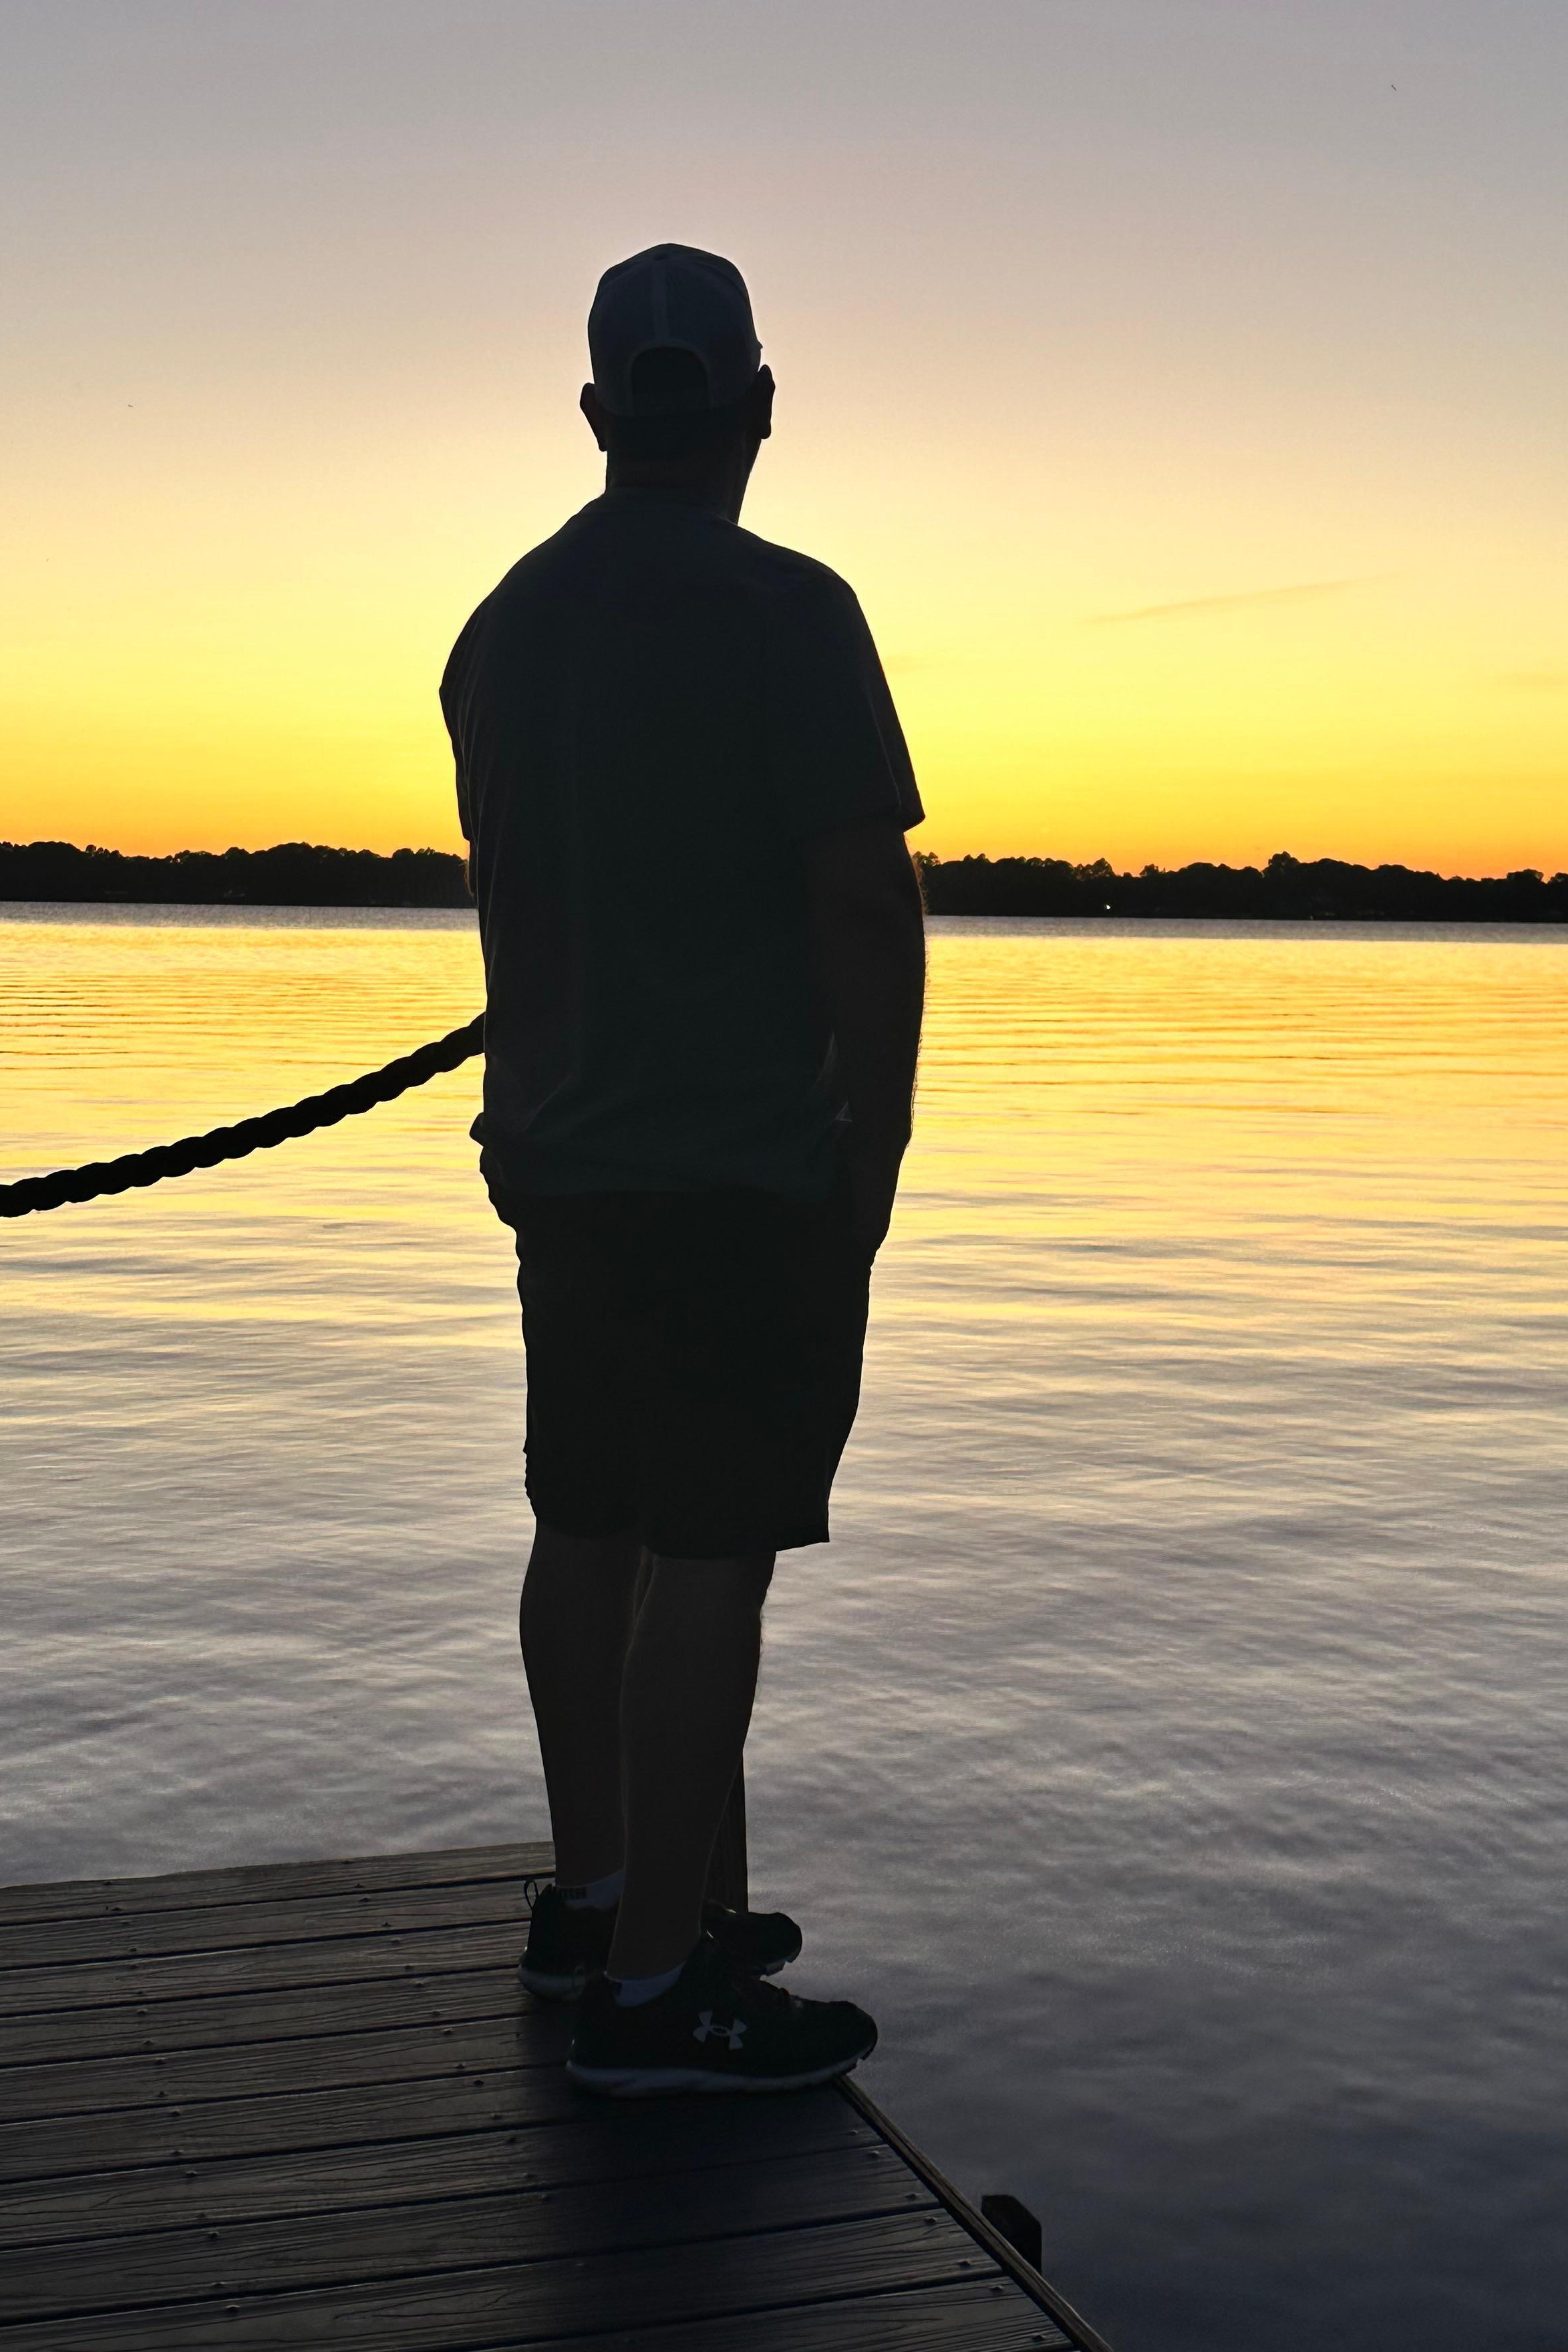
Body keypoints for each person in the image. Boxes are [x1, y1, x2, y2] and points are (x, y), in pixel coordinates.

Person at [442, 243, 926, 2095]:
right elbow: (861, 903)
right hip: (739, 1176)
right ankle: (659, 1996)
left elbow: (519, 897)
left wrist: (534, 1108)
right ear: (758, 406)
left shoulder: (503, 627)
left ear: (594, 412)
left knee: (585, 1525)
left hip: (564, 1162)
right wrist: (873, 1148)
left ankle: (598, 1903)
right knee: (711, 1556)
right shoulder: (792, 612)